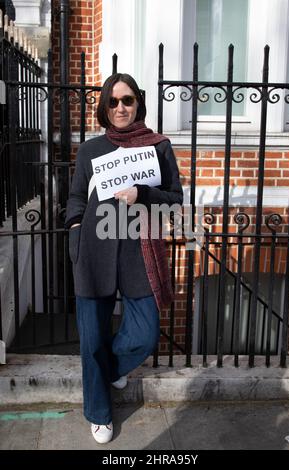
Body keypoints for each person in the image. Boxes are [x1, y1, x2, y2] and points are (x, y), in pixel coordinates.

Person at [64, 73, 183, 444]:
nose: (121, 108)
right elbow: (76, 198)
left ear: (138, 103)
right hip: (94, 251)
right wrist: (75, 235)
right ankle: (99, 413)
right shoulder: (90, 150)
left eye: (128, 100)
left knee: (145, 335)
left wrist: (142, 194)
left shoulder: (158, 147)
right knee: (92, 338)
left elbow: (176, 199)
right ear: (104, 106)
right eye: (114, 101)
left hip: (138, 250)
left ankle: (110, 368)